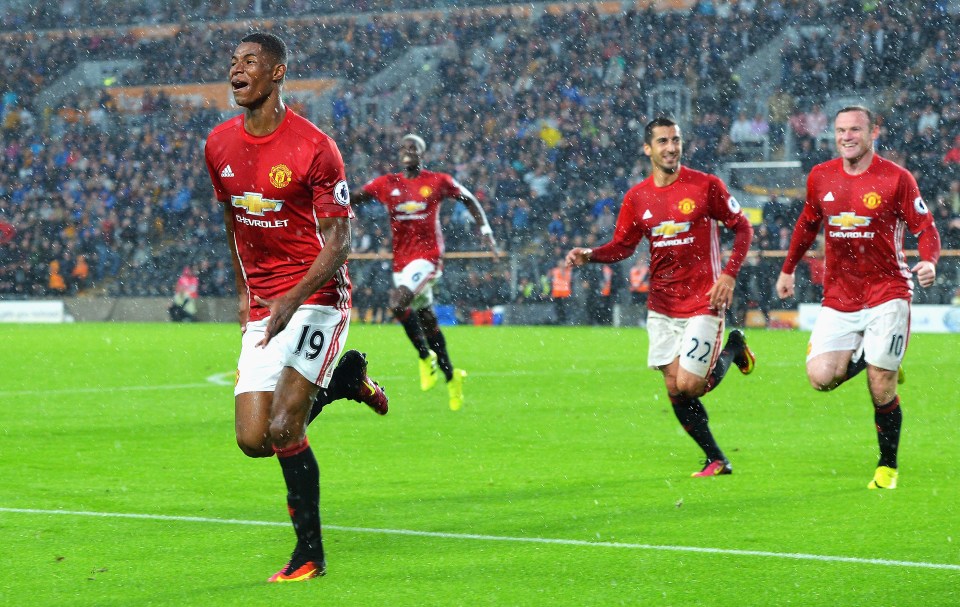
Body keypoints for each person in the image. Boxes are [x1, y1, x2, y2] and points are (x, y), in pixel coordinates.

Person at [204, 32, 389, 584]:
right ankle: (344, 381)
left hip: (317, 300)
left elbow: (339, 244)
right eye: (234, 62)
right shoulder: (218, 145)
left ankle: (309, 554)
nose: (237, 70)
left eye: (250, 62)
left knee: (286, 425)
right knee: (252, 440)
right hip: (266, 304)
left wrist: (291, 297)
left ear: (278, 73)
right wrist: (246, 293)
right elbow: (233, 224)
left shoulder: (314, 147)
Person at [565, 117, 756, 477]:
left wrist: (729, 275)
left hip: (705, 300)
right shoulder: (637, 198)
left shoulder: (706, 186)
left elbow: (743, 227)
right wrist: (591, 254)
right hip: (663, 305)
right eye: (663, 141)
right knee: (675, 387)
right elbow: (623, 246)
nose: (671, 147)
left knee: (690, 384)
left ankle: (733, 347)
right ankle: (717, 458)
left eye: (676, 140)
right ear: (647, 148)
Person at [775, 106, 941, 490]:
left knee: (881, 386)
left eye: (854, 130)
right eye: (840, 130)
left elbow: (926, 228)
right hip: (840, 295)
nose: (846, 136)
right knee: (819, 378)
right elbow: (807, 223)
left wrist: (929, 261)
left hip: (888, 292)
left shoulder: (896, 179)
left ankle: (887, 467)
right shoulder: (821, 176)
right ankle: (881, 356)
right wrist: (788, 268)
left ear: (873, 132)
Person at [350, 133, 499, 411]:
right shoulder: (387, 184)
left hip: (428, 258)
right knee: (428, 322)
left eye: (414, 147)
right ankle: (452, 376)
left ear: (422, 154)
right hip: (401, 262)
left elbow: (468, 199)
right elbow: (354, 197)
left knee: (397, 302)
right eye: (405, 147)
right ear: (399, 153)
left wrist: (486, 231)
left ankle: (423, 356)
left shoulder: (437, 181)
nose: (409, 150)